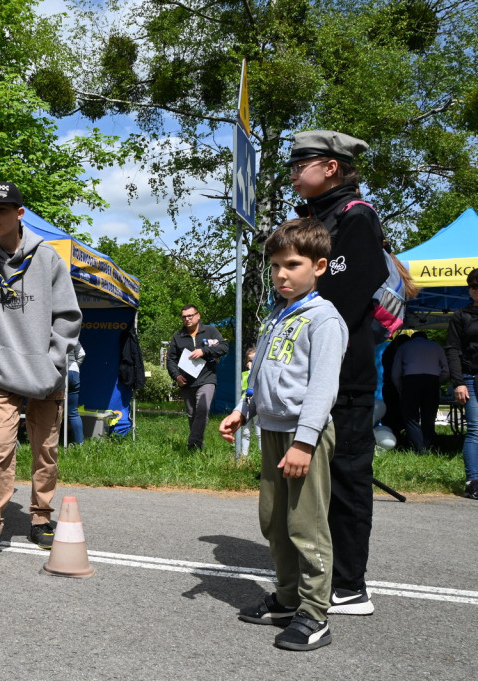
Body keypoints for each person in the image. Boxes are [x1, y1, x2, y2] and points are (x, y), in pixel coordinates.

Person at [220, 217, 349, 652]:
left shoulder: (324, 320)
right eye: (275, 265)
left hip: (301, 436)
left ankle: (314, 615)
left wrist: (304, 441)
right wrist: (244, 408)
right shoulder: (279, 314)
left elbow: (322, 387)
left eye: (292, 264)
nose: (281, 274)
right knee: (274, 523)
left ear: (320, 266)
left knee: (305, 525)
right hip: (273, 429)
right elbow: (259, 372)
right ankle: (287, 598)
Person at [0, 181, 81, 562]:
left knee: (45, 451)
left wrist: (54, 358)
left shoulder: (47, 258)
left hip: (45, 371)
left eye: (1, 210)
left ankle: (40, 519)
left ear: (19, 214)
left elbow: (69, 316)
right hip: (3, 371)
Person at [289, 129, 387, 615]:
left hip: (345, 375)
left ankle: (350, 585)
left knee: (346, 481)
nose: (292, 171)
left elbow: (344, 301)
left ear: (330, 166)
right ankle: (319, 575)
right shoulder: (314, 218)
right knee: (314, 486)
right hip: (309, 375)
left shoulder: (356, 218)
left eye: (300, 162)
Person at [166, 305, 229, 451]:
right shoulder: (178, 336)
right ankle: (198, 447)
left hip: (207, 378)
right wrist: (177, 376)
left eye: (190, 316)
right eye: (184, 317)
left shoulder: (210, 331)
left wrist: (204, 351)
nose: (187, 319)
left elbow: (224, 347)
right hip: (187, 382)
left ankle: (192, 444)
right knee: (192, 415)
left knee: (202, 409)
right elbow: (170, 359)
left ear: (198, 316)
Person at [444, 268, 478, 500]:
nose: (477, 291)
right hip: (470, 378)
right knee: (475, 430)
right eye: (474, 287)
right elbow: (453, 349)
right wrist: (458, 382)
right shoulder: (460, 316)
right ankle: (473, 481)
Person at [391, 331, 448, 453]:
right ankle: (428, 444)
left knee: (410, 416)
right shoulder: (436, 346)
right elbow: (446, 370)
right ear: (426, 338)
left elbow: (396, 372)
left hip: (410, 380)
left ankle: (419, 447)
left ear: (412, 338)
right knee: (429, 415)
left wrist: (400, 387)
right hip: (432, 380)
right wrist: (438, 382)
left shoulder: (404, 347)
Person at [238, 346, 261, 461]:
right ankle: (244, 455)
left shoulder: (260, 373)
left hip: (257, 405)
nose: (251, 363)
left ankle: (263, 456)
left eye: (254, 361)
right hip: (245, 404)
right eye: (249, 361)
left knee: (259, 432)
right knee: (245, 432)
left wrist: (253, 370)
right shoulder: (244, 374)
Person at [67, 340, 86, 445]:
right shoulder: (72, 335)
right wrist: (75, 366)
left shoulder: (49, 332)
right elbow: (82, 353)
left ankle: (49, 444)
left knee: (53, 410)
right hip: (74, 372)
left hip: (58, 371)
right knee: (73, 412)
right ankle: (79, 444)